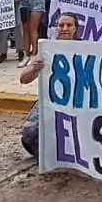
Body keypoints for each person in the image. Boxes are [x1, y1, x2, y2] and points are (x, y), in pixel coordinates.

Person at [19, 13, 78, 156]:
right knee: (30, 134)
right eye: (61, 25)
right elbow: (23, 79)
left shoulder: (85, 49)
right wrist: (34, 67)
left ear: (75, 29)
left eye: (69, 25)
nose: (65, 28)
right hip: (50, 101)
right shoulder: (47, 50)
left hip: (76, 103)